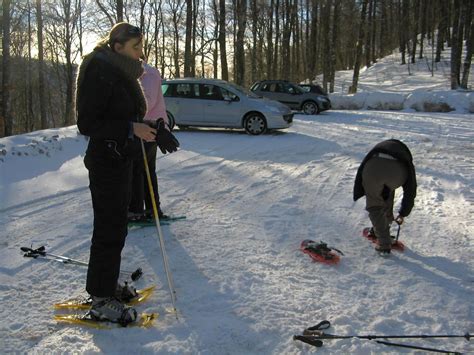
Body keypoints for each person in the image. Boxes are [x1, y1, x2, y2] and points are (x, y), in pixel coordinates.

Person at [76, 22, 178, 324]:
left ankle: (106, 285)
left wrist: (153, 128)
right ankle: (100, 298)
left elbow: (126, 113)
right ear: (118, 46)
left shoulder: (122, 69)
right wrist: (131, 128)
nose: (141, 53)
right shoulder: (98, 68)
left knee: (118, 226)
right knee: (107, 229)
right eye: (136, 47)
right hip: (105, 160)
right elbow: (88, 123)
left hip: (122, 157)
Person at [353, 139, 417, 255]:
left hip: (373, 168)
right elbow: (411, 190)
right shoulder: (406, 160)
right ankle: (381, 228)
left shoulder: (379, 148)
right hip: (398, 174)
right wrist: (403, 213)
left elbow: (362, 168)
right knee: (388, 191)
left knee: (374, 204)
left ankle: (383, 244)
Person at [128, 61, 171, 221]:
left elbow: (147, 102)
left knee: (139, 169)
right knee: (144, 170)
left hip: (150, 127)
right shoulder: (139, 72)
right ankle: (150, 209)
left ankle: (138, 210)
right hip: (145, 128)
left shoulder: (147, 73)